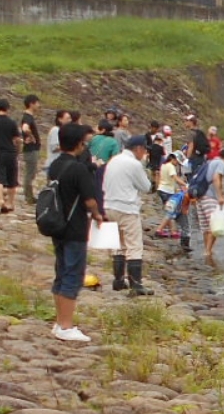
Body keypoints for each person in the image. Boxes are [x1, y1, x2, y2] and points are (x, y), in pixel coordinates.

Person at [45, 124, 107, 342]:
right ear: (80, 143)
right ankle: (66, 326)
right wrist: (98, 215)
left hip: (58, 226)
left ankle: (59, 322)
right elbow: (89, 200)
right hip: (76, 228)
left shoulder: (55, 166)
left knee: (61, 273)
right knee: (73, 275)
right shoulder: (78, 169)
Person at [103, 136, 154, 295]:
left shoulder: (114, 160)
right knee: (134, 245)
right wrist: (144, 167)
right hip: (126, 208)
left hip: (108, 206)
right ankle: (136, 284)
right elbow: (146, 187)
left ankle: (118, 280)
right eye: (145, 150)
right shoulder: (134, 164)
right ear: (138, 148)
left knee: (118, 245)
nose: (145, 153)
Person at [19, 95, 45, 196]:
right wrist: (31, 136)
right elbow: (25, 128)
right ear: (31, 104)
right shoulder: (27, 117)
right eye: (37, 103)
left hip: (31, 149)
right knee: (30, 173)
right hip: (31, 149)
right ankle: (28, 196)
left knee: (31, 172)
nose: (39, 105)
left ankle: (28, 194)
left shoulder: (28, 117)